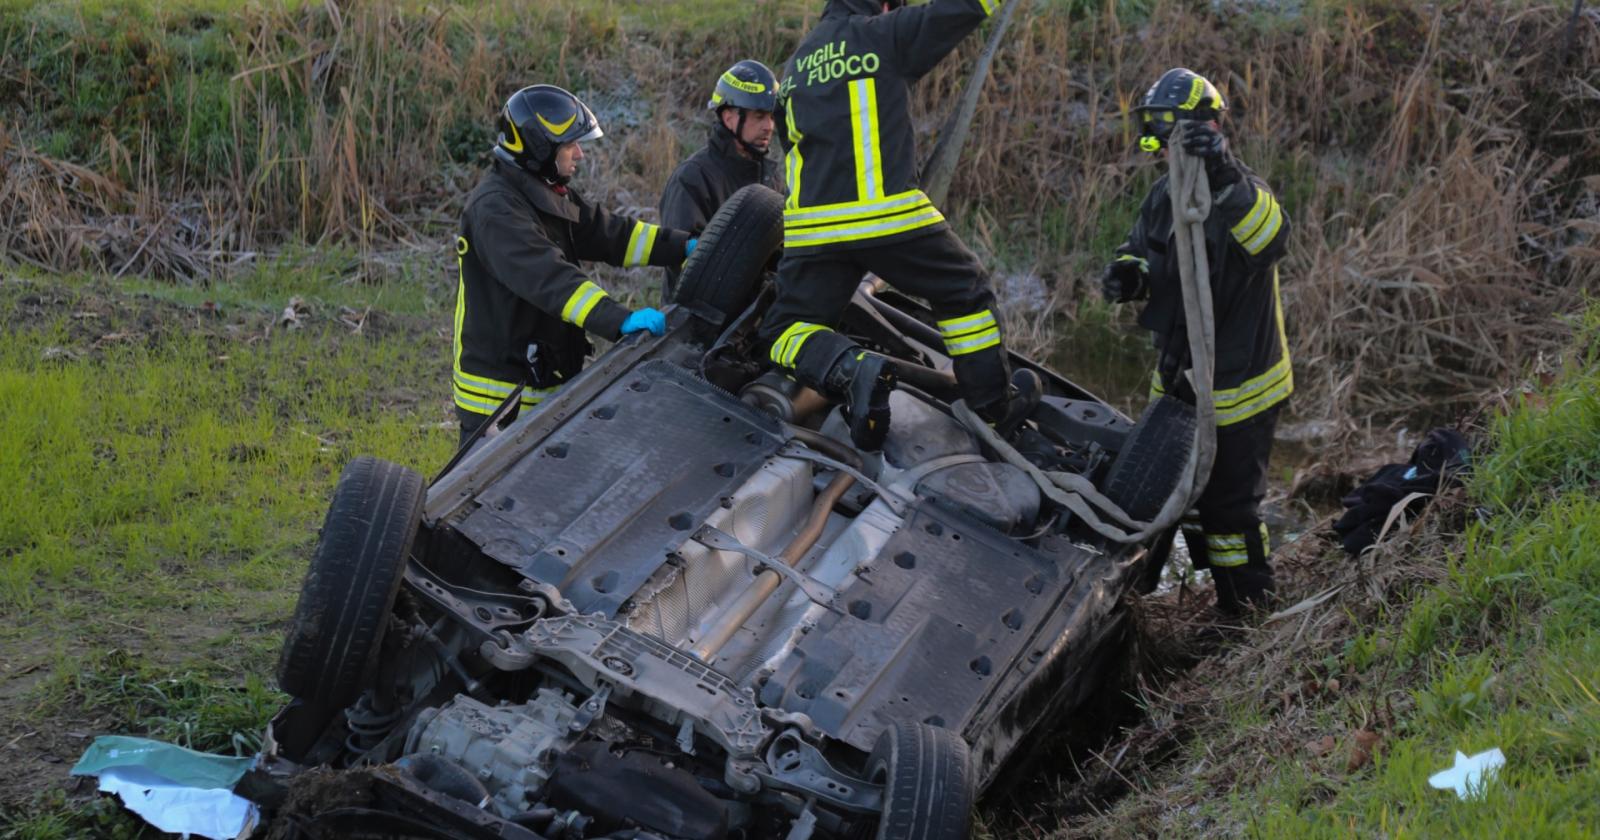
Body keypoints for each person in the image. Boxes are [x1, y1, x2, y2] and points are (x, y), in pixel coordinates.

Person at [757, 0, 1039, 452]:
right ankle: (992, 409)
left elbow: (791, 150)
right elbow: (961, 9)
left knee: (783, 331)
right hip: (884, 215)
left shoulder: (794, 67)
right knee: (964, 291)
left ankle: (853, 369)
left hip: (814, 229)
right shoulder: (881, 34)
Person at [1102, 68, 1293, 613]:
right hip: (1179, 382)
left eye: (1177, 137)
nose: (1168, 151)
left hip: (1241, 388)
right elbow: (1140, 246)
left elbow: (1271, 239)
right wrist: (1128, 274)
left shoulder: (1242, 192)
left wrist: (1221, 168)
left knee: (1230, 511)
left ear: (1208, 128)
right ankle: (1148, 604)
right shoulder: (1165, 194)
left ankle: (1247, 615)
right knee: (1173, 497)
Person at [453, 84, 695, 445]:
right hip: (500, 399)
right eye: (570, 145)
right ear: (539, 147)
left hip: (538, 380)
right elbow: (549, 277)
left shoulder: (542, 191)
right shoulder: (495, 210)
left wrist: (686, 246)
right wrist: (618, 319)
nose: (580, 153)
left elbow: (610, 234)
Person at [659, 60, 787, 299]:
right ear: (729, 118)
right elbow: (685, 264)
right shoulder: (693, 179)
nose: (769, 127)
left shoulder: (771, 176)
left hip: (759, 315)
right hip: (700, 323)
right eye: (759, 116)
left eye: (771, 117)